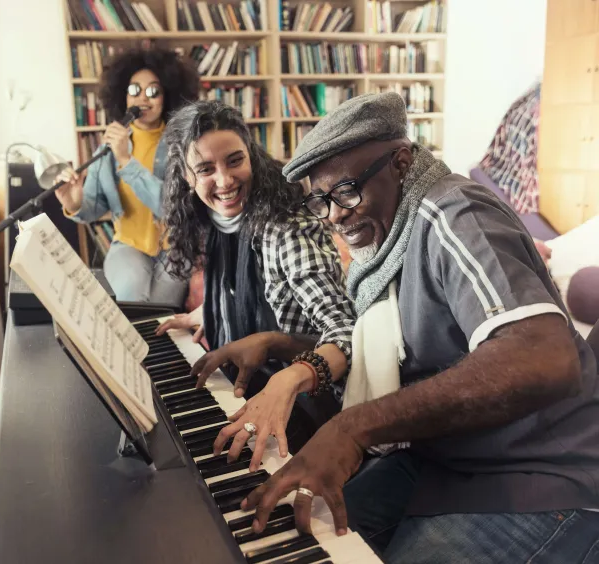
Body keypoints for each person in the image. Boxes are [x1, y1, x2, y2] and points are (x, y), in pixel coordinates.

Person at [233, 92, 599, 562]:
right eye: (321, 201)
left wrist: (354, 427)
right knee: (288, 537)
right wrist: (279, 345)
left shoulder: (455, 213)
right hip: (443, 461)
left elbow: (541, 356)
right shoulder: (384, 249)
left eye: (346, 191)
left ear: (401, 163)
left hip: (541, 474)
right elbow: (399, 349)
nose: (336, 215)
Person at [155, 100, 355, 455]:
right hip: (250, 392)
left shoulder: (287, 230)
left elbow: (349, 337)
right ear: (187, 177)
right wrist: (211, 312)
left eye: (235, 160)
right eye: (205, 169)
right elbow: (251, 287)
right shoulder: (218, 219)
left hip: (306, 409)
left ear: (251, 155)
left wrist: (272, 343)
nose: (225, 180)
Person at [54, 47, 199, 306]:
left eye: (154, 91)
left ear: (167, 97)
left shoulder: (184, 145)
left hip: (176, 249)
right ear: (123, 96)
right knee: (133, 300)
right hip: (128, 246)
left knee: (161, 313)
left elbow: (171, 208)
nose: (143, 98)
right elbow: (94, 208)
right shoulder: (107, 149)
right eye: (135, 90)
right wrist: (74, 202)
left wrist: (126, 161)